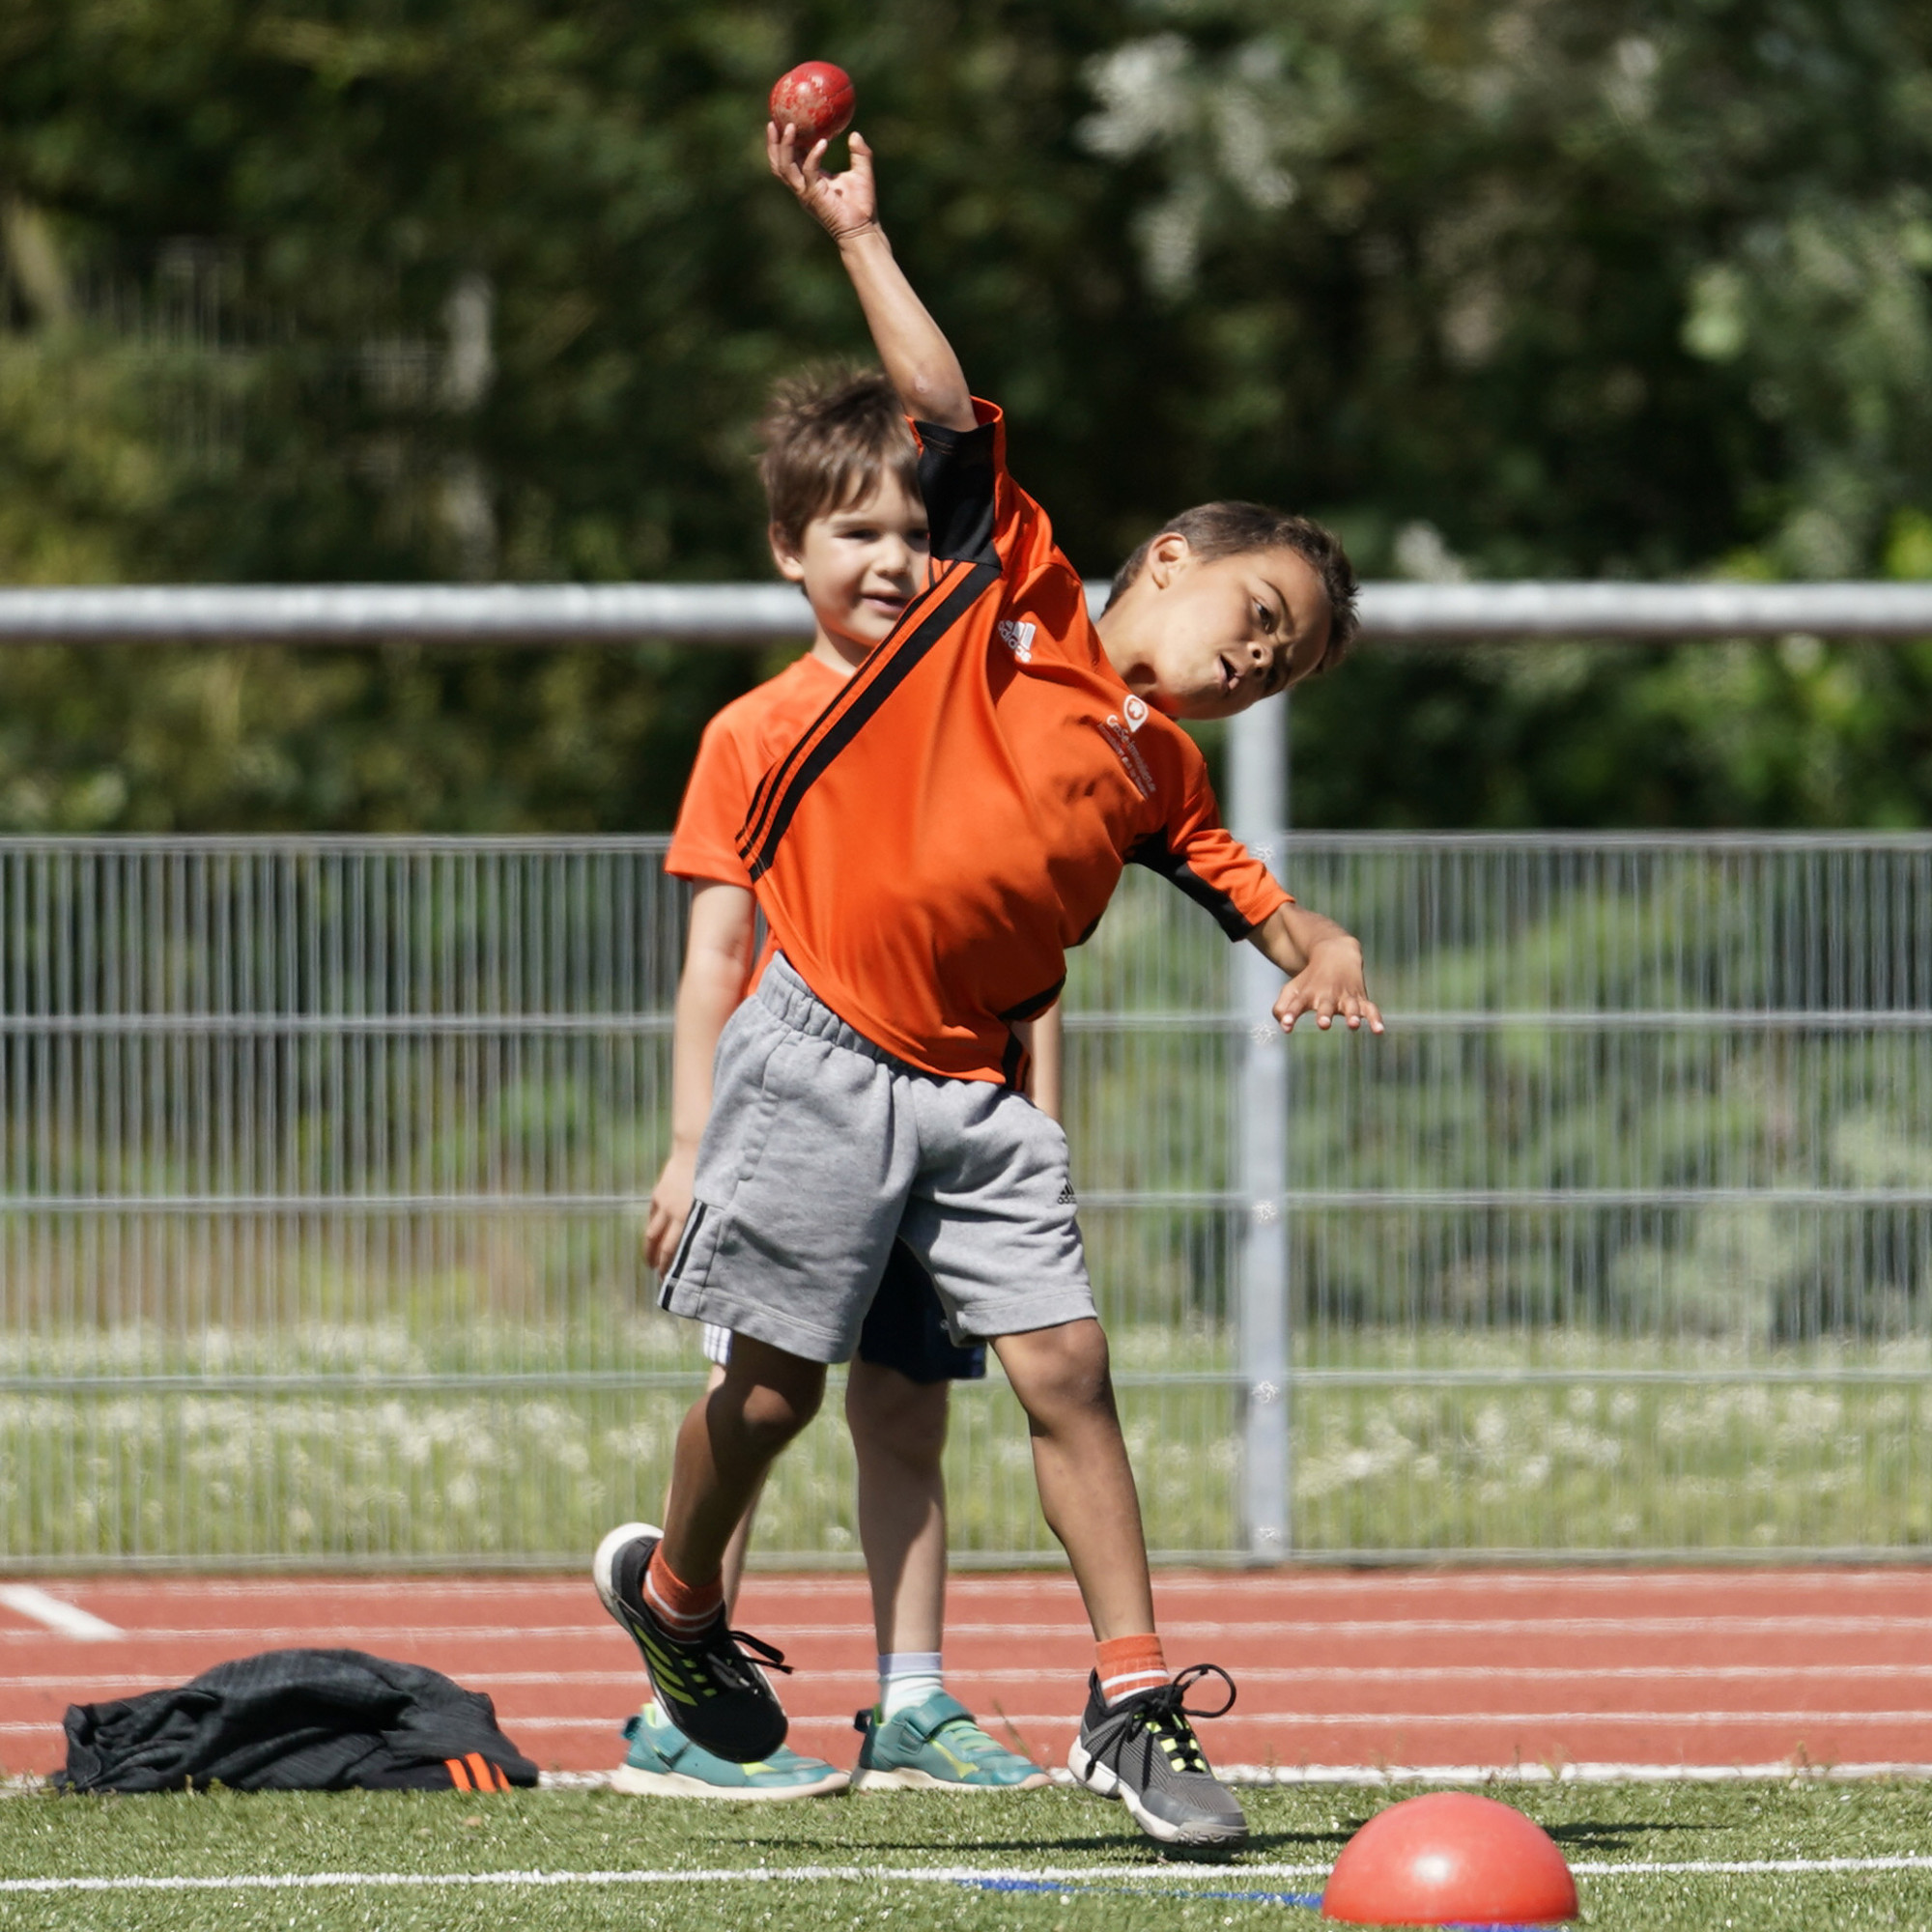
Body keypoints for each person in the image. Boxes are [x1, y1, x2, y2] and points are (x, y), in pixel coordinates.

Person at [597, 117, 1383, 1850]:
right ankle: (677, 1588)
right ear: (1171, 555)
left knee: (1071, 1368)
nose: (1260, 658)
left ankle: (1133, 1695)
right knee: (773, 1393)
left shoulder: (1164, 779)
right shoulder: (1004, 587)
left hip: (973, 1094)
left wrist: (1325, 952)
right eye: (1259, 612)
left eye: (1288, 664)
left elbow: (1277, 919)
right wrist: (861, 236)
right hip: (814, 1053)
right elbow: (944, 408)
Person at [596, 367, 1052, 1799]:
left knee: (910, 1409)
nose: (891, 561)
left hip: (951, 1120)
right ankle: (681, 1704)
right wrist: (688, 1146)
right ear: (789, 549)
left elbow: (1025, 945)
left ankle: (911, 1697)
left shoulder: (981, 714)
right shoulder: (754, 728)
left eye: (915, 534)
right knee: (757, 1402)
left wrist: (1041, 1121)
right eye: (854, 533)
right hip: (794, 1125)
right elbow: (714, 952)